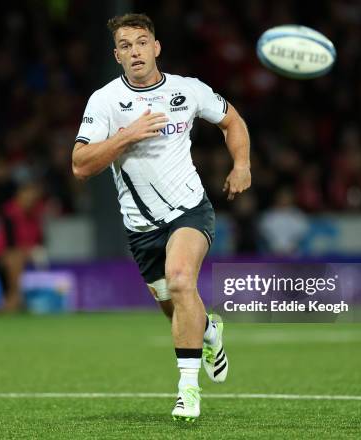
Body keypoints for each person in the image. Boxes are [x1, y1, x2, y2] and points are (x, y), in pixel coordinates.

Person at [71, 13, 251, 421]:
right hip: (140, 228)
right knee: (177, 306)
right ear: (116, 55)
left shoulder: (188, 90)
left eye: (141, 42)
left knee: (182, 279)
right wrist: (126, 136)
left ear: (156, 47)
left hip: (190, 210)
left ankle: (187, 390)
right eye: (125, 45)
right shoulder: (105, 101)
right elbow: (80, 165)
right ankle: (209, 331)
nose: (134, 50)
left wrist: (241, 164)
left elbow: (231, 120)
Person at [0, 179, 47, 311]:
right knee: (15, 258)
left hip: (23, 257)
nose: (30, 200)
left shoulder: (36, 216)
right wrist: (29, 252)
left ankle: (12, 300)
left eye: (33, 197)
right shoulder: (9, 213)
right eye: (27, 195)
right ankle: (14, 298)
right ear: (19, 195)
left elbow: (41, 242)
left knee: (23, 257)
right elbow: (10, 245)